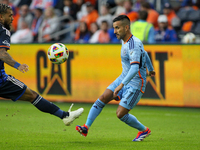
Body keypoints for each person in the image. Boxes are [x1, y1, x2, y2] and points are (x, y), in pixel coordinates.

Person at [0, 3, 83, 126]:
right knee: (32, 95)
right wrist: (18, 65)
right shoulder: (3, 31)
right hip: (1, 81)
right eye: (10, 16)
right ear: (1, 17)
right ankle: (65, 116)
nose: (13, 18)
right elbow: (2, 53)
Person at [76, 15, 155, 142]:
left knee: (120, 114)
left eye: (117, 28)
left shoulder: (134, 44)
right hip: (124, 77)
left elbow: (134, 69)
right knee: (103, 97)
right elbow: (144, 53)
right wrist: (150, 69)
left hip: (136, 84)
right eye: (114, 28)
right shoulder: (124, 40)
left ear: (126, 27)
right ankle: (86, 127)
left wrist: (121, 86)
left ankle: (144, 130)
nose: (114, 31)